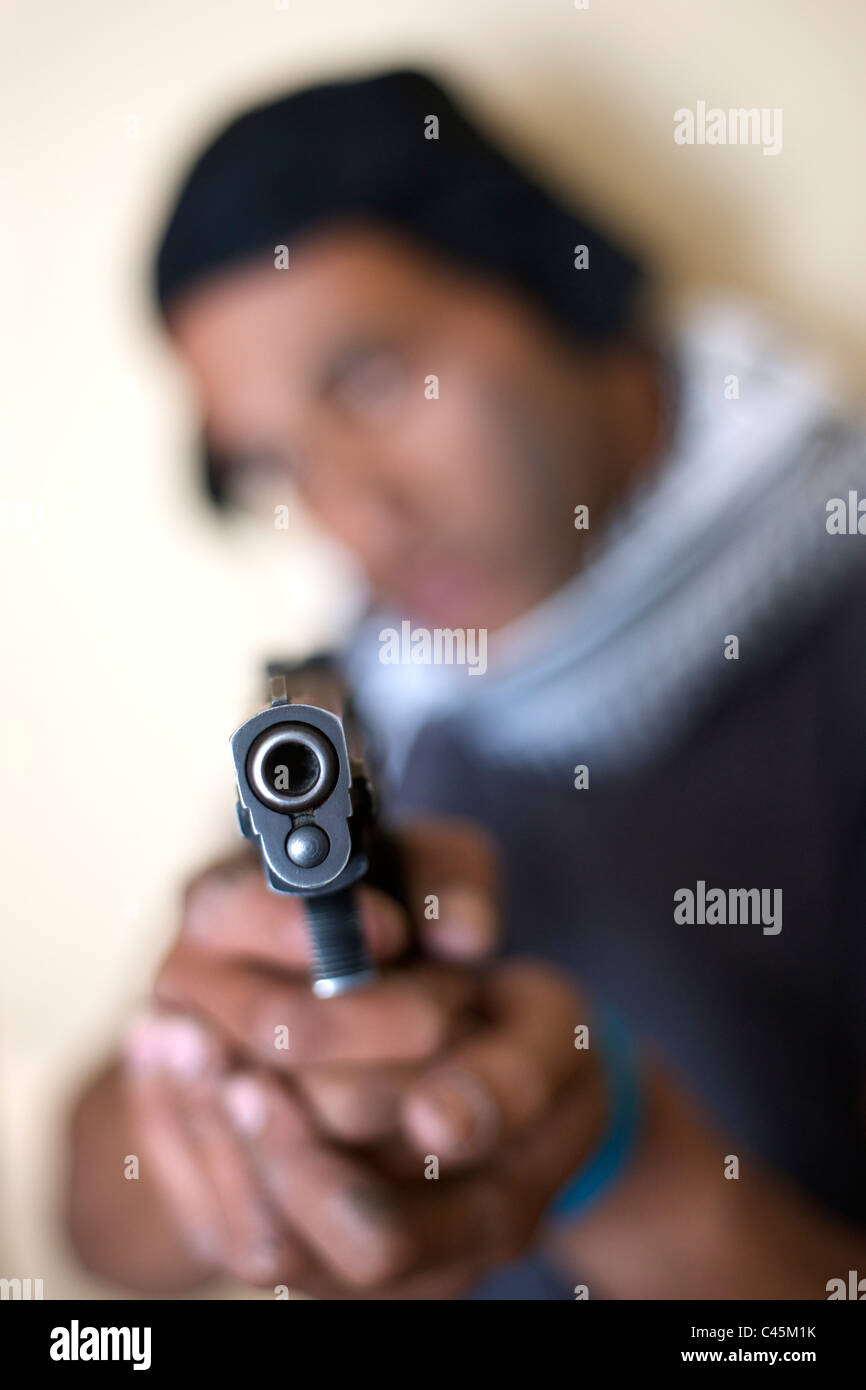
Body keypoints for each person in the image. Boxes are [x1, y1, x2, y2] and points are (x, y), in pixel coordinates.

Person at [67, 69, 866, 1300]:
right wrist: (206, 1085)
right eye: (278, 466)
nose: (350, 519)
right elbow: (92, 1228)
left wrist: (613, 1165)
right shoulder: (364, 692)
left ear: (556, 281)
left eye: (370, 383)